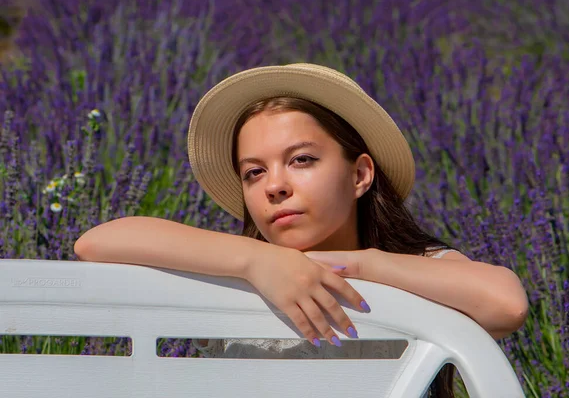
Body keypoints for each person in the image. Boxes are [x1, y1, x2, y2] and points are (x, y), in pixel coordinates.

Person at [74, 63, 529, 397]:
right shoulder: (239, 269)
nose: (274, 185)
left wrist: (362, 264)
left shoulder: (409, 265)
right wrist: (256, 260)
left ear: (359, 175)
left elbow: (505, 304)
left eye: (302, 160)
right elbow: (96, 242)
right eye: (253, 172)